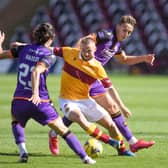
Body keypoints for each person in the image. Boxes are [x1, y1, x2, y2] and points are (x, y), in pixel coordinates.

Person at [49, 15, 155, 154]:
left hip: (94, 79)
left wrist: (144, 58)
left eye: (129, 32)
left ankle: (132, 143)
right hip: (82, 77)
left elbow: (123, 60)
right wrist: (75, 59)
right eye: (124, 30)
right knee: (79, 112)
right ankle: (54, 133)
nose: (126, 34)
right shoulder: (106, 35)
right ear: (117, 26)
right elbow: (85, 40)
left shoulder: (116, 44)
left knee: (109, 107)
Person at [0, 24, 96, 164]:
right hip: (41, 102)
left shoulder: (23, 49)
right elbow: (36, 71)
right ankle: (85, 158)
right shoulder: (49, 55)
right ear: (52, 38)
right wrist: (35, 94)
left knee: (16, 121)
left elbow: (2, 55)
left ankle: (23, 152)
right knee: (63, 130)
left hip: (19, 100)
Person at [49, 37, 135, 157]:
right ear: (80, 49)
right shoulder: (69, 52)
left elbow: (110, 88)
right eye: (84, 50)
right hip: (67, 100)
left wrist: (122, 106)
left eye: (89, 50)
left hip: (85, 100)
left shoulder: (97, 67)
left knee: (111, 125)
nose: (86, 53)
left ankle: (122, 150)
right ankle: (110, 141)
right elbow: (47, 49)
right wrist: (24, 46)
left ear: (95, 49)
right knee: (78, 117)